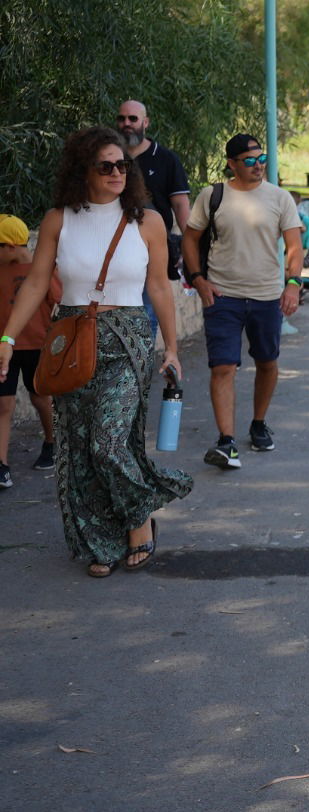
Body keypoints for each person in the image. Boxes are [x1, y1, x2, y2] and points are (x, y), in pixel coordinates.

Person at [0, 127, 190, 576]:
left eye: (122, 165)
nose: (116, 173)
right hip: (71, 338)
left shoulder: (148, 221)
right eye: (105, 166)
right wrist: (6, 339)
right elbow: (37, 282)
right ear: (82, 170)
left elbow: (158, 287)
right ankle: (100, 540)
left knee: (108, 442)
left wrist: (172, 347)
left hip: (127, 338)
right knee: (81, 447)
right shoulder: (59, 220)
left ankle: (138, 521)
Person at [182, 133, 303, 471]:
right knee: (222, 366)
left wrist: (293, 284)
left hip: (266, 297)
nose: (258, 165)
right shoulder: (213, 196)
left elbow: (294, 246)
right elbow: (189, 239)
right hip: (223, 295)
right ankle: (227, 441)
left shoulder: (279, 198)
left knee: (267, 362)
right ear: (232, 164)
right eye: (249, 160)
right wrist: (198, 279)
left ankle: (259, 423)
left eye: (261, 158)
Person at [115, 101, 191, 338]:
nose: (126, 123)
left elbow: (180, 204)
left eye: (133, 118)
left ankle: (144, 360)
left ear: (145, 122)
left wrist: (190, 247)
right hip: (112, 247)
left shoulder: (166, 159)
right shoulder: (109, 158)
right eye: (122, 118)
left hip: (151, 249)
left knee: (147, 314)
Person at [0, 215, 60, 483]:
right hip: (5, 348)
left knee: (40, 398)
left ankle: (52, 442)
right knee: (3, 403)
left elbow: (58, 302)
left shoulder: (43, 269)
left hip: (38, 346)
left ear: (10, 247)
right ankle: (1, 464)